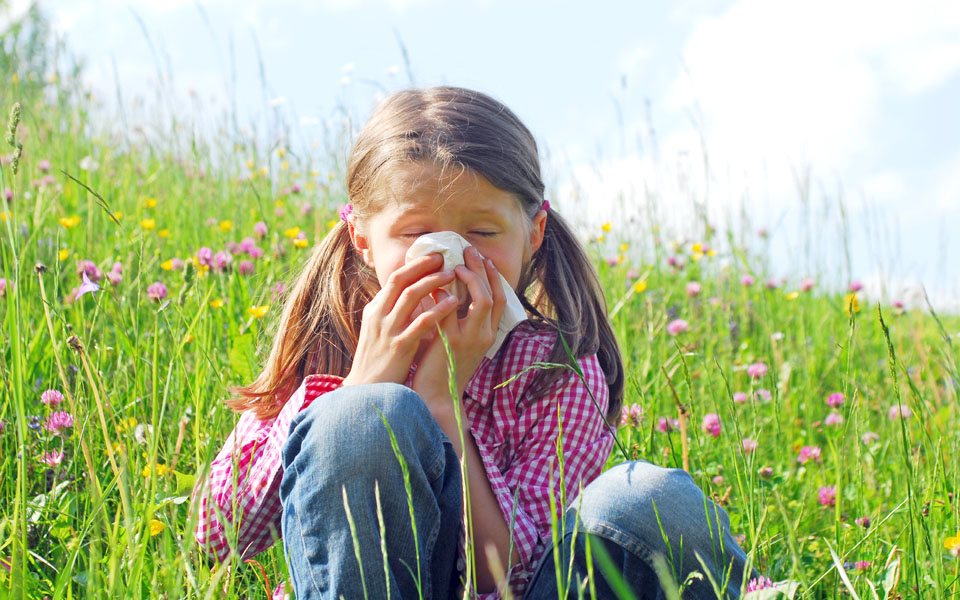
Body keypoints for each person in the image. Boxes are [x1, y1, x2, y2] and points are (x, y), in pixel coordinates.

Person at [192, 86, 752, 599]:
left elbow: (510, 574)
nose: (454, 260)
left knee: (648, 500)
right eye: (416, 235)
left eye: (482, 233)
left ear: (533, 233)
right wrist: (362, 386)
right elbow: (220, 534)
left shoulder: (554, 370)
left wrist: (443, 403)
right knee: (364, 416)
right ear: (361, 235)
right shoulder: (333, 345)